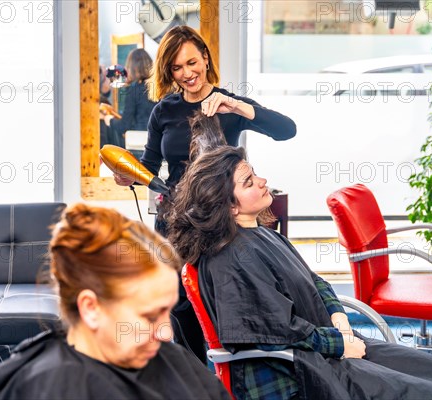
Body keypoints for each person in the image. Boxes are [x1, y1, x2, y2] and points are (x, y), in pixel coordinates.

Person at [168, 145, 432, 400]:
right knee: (429, 392)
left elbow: (314, 282)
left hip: (325, 344)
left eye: (255, 174)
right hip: (295, 372)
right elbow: (277, 332)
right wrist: (340, 344)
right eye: (249, 182)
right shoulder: (229, 261)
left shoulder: (266, 233)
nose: (262, 181)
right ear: (229, 206)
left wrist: (339, 318)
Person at [113, 25, 297, 363]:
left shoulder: (228, 104)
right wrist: (131, 178)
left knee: (226, 299)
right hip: (175, 223)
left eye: (192, 63)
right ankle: (194, 374)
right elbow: (150, 165)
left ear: (206, 59)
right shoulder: (163, 111)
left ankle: (239, 369)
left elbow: (287, 130)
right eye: (177, 68)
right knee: (180, 306)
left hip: (221, 224)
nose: (186, 74)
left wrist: (238, 107)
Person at [0, 204, 230, 400]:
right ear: (91, 308)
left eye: (168, 311)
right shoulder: (43, 387)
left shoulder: (174, 360)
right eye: (150, 316)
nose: (166, 333)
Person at [106, 49, 158, 150]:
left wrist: (109, 120)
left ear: (133, 68)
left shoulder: (133, 90)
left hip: (141, 147)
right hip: (160, 145)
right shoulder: (160, 87)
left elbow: (124, 125)